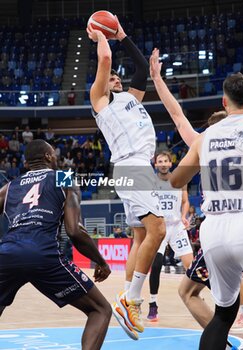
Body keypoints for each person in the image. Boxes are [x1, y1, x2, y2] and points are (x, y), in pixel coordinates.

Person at [150, 48, 243, 333]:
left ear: (225, 104)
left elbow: (176, 114)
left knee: (198, 296)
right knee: (200, 291)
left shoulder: (204, 140)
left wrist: (157, 80)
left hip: (217, 228)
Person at [87, 18, 165, 340]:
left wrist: (122, 35)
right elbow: (105, 61)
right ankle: (131, 299)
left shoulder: (132, 98)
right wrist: (99, 35)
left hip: (138, 167)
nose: (116, 78)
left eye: (119, 77)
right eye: (111, 78)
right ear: (104, 84)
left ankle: (128, 297)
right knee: (158, 230)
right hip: (131, 166)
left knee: (139, 236)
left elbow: (139, 69)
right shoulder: (100, 101)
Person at [0, 139, 112, 350]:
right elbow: (74, 231)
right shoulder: (65, 178)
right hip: (42, 253)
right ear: (49, 157)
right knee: (101, 309)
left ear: (26, 163)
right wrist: (101, 261)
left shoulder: (10, 187)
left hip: (7, 253)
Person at [147, 151, 193, 321]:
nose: (164, 163)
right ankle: (153, 304)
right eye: (160, 161)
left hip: (176, 227)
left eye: (166, 160)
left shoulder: (180, 179)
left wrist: (184, 215)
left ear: (170, 163)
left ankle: (196, 295)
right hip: (159, 227)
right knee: (157, 264)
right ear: (156, 164)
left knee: (191, 266)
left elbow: (185, 201)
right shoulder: (151, 181)